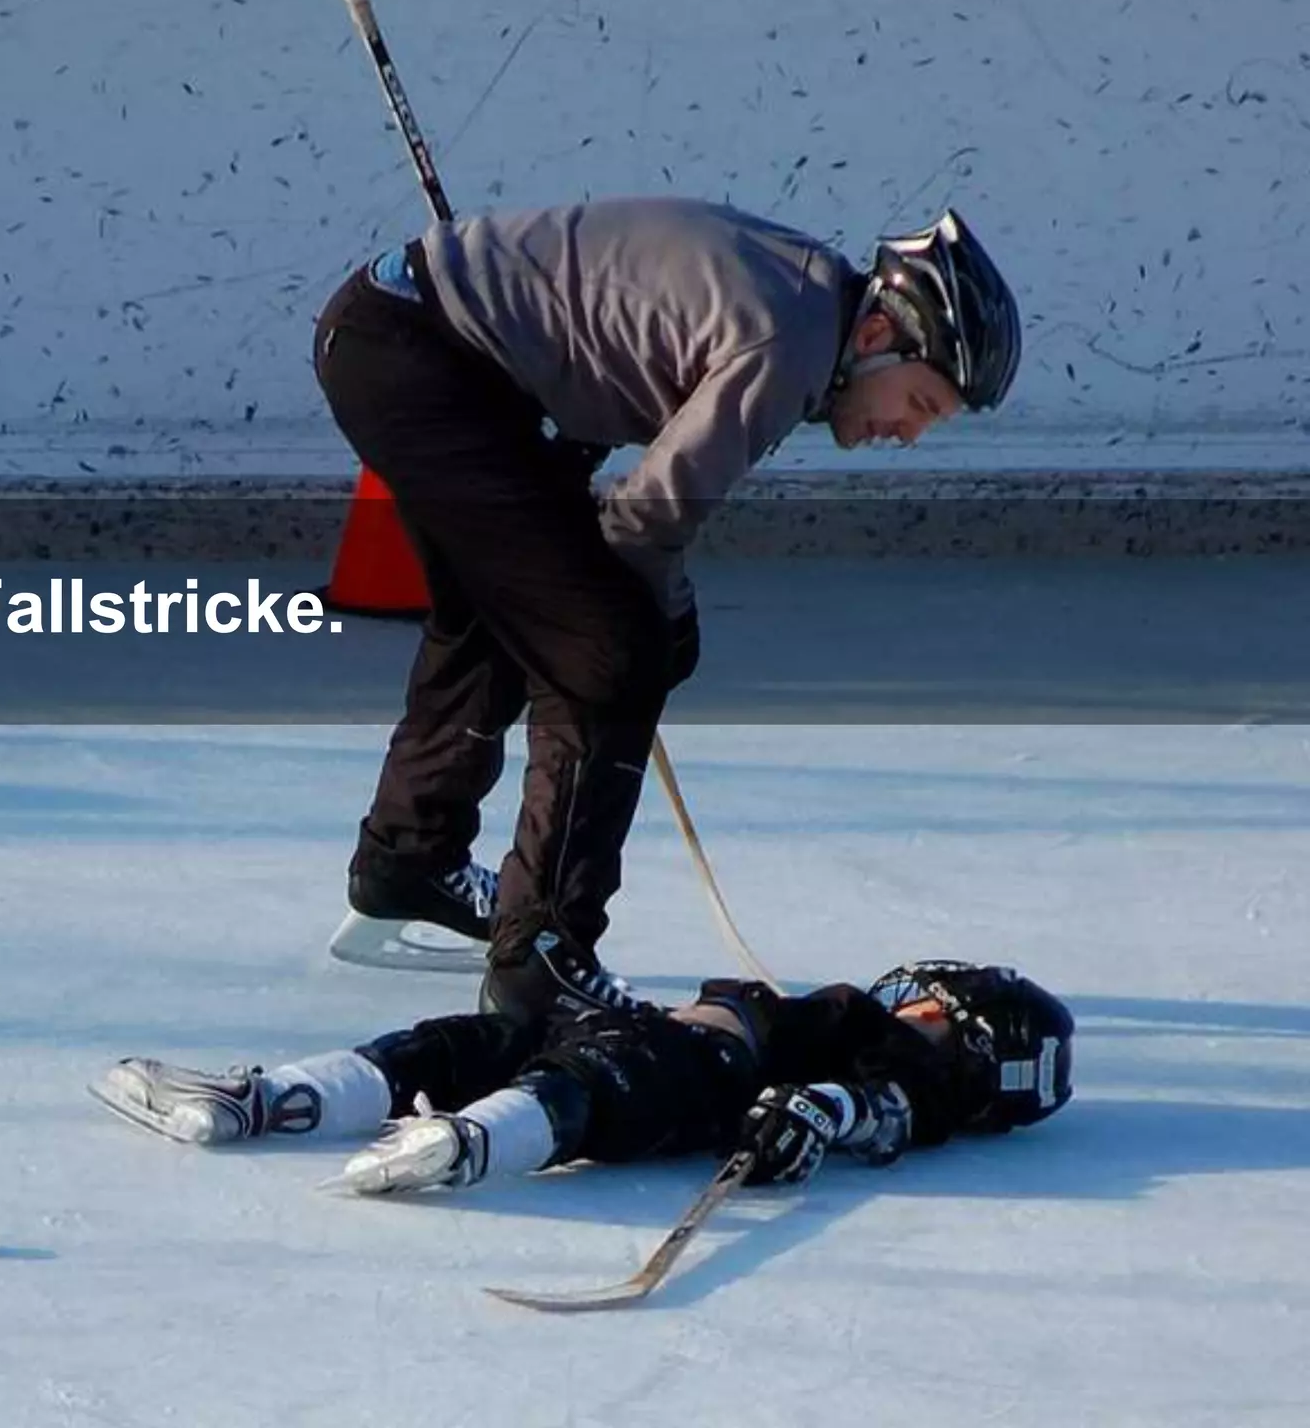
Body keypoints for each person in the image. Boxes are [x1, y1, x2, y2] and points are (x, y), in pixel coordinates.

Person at [314, 199, 1024, 1021]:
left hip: (409, 338)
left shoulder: (809, 302)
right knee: (608, 649)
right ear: (876, 340)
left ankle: (410, 865)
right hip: (426, 360)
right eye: (924, 404)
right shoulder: (786, 346)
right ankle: (542, 956)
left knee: (499, 613)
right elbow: (646, 521)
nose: (910, 433)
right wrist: (667, 623)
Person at [91, 961, 1072, 1195]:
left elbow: (887, 1110)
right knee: (467, 1043)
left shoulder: (901, 1063)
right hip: (649, 1034)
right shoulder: (860, 1030)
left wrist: (826, 1108)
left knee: (572, 1079)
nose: (922, 1001)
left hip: (691, 1064)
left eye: (941, 1007)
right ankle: (261, 1099)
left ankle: (468, 1140)